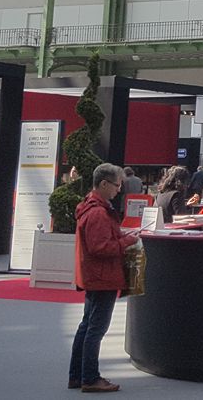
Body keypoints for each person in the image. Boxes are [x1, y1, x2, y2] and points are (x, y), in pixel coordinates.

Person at [68, 163, 141, 393]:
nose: (119, 190)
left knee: (87, 326)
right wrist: (127, 241)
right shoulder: (99, 212)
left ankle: (77, 375)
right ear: (103, 184)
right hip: (102, 276)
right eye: (117, 185)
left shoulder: (91, 208)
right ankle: (90, 377)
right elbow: (101, 248)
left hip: (94, 275)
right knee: (95, 329)